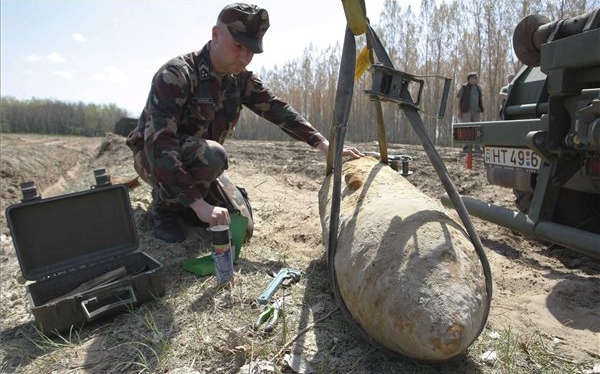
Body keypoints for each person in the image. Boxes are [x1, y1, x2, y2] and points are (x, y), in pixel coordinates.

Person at [126, 3, 363, 243]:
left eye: (250, 50)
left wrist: (324, 144)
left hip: (200, 163)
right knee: (213, 156)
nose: (244, 57)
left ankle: (188, 202)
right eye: (238, 46)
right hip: (154, 159)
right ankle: (166, 210)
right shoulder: (176, 75)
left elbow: (278, 110)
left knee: (241, 228)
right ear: (215, 35)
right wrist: (199, 205)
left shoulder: (240, 79)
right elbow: (159, 145)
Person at [455, 72, 484, 154]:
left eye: (476, 77)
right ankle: (466, 147)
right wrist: (459, 111)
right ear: (470, 78)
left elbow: (480, 99)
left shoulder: (479, 88)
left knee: (478, 129)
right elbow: (458, 99)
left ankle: (477, 147)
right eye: (474, 77)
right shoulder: (463, 87)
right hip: (466, 111)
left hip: (477, 112)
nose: (476, 79)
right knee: (466, 128)